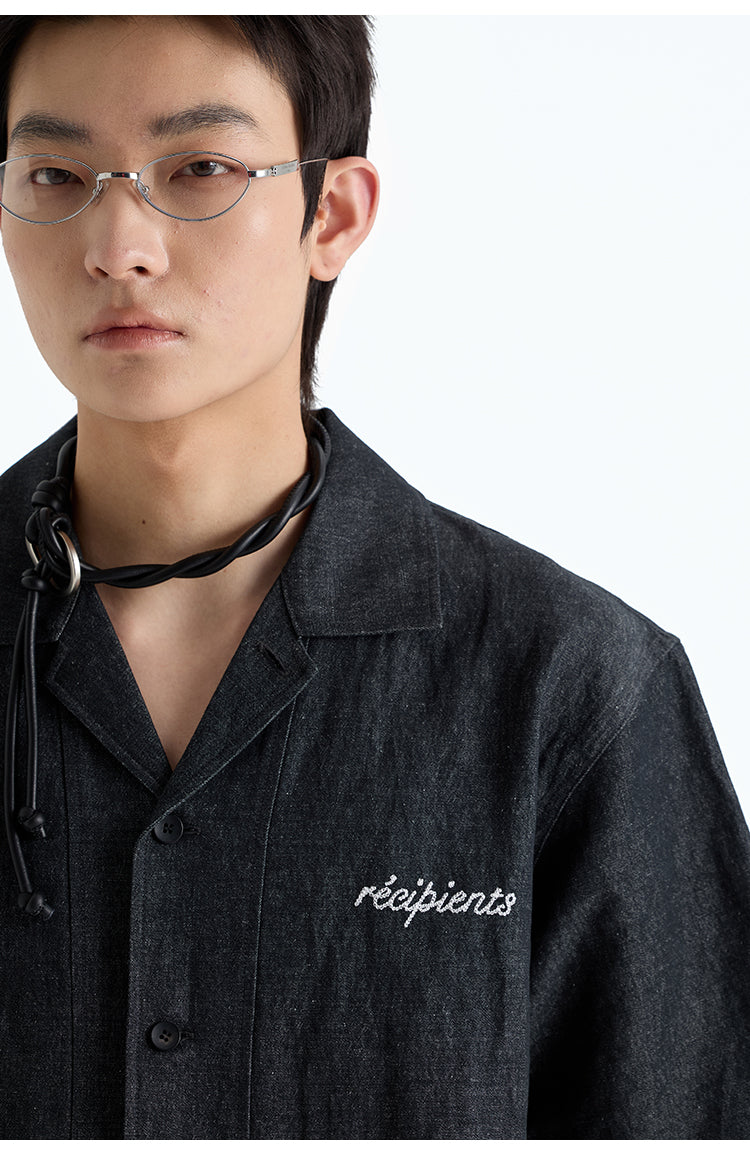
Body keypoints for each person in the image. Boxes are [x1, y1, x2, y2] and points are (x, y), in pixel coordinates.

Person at [0, 14, 747, 1142]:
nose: (117, 244)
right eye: (56, 175)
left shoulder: (574, 691)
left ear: (333, 214)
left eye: (199, 169)